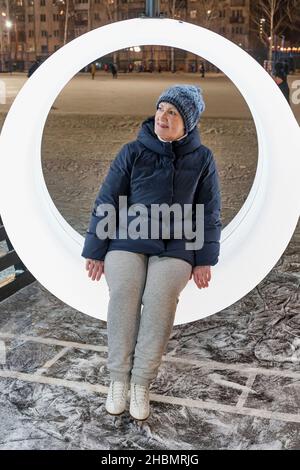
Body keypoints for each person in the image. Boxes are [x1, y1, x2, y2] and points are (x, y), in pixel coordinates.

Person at [81, 85, 222, 420]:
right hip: (129, 238)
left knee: (159, 298)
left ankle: (141, 384)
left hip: (176, 245)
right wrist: (96, 249)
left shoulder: (203, 159)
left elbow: (209, 211)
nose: (163, 116)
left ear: (187, 122)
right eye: (161, 108)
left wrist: (203, 258)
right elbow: (108, 199)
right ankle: (118, 380)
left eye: (172, 112)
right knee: (126, 291)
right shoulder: (132, 152)